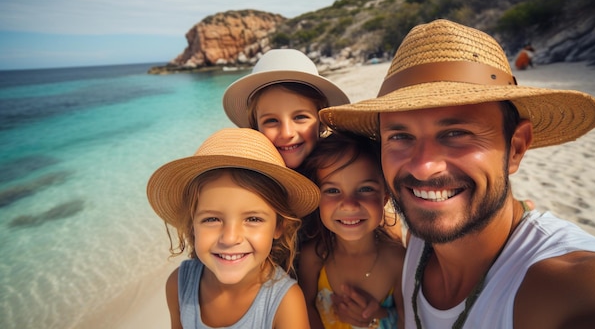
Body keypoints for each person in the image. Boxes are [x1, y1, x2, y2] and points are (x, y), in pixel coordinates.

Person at [318, 19, 595, 328]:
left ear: (516, 148)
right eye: (400, 137)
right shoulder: (416, 244)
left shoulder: (568, 285)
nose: (424, 166)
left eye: (455, 133)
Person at [146, 128, 321, 329]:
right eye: (212, 219)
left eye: (253, 219)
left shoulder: (284, 303)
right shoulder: (179, 285)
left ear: (279, 225)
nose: (230, 238)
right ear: (192, 225)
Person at [298, 132, 405, 329]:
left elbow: (409, 319)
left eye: (365, 189)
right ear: (317, 200)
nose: (349, 205)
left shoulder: (398, 260)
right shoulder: (313, 258)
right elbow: (305, 309)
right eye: (332, 190)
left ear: (385, 197)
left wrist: (378, 315)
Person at [222, 48, 350, 171]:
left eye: (300, 117)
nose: (287, 133)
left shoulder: (342, 170)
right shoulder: (250, 183)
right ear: (256, 128)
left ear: (321, 122)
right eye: (271, 120)